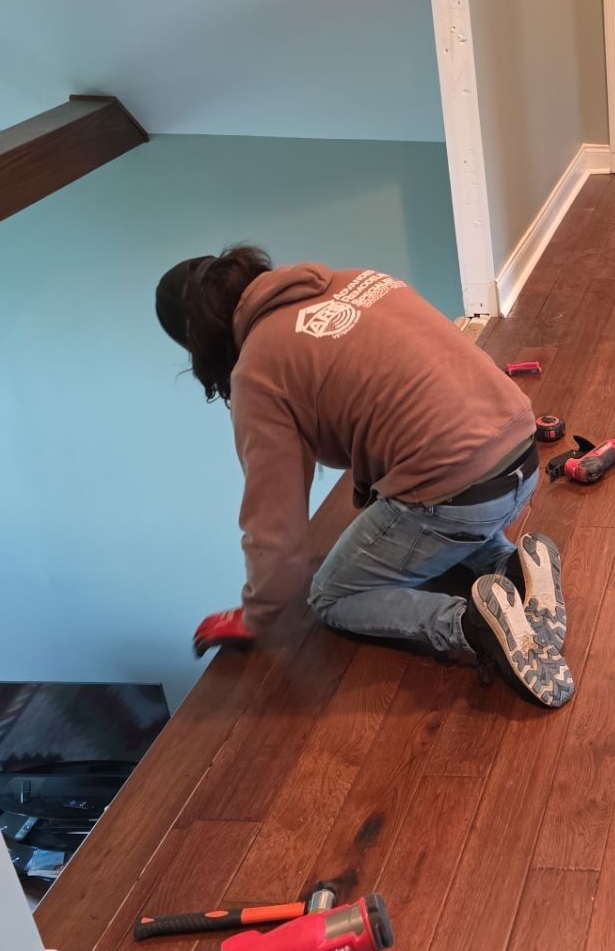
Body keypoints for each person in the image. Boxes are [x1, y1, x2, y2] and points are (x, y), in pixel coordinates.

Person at [155, 246, 573, 708]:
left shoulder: (258, 367)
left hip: (461, 494)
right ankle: (511, 567)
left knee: (331, 596)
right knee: (426, 525)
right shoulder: (353, 279)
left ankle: (474, 622)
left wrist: (257, 615)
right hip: (518, 450)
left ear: (202, 344)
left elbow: (275, 528)